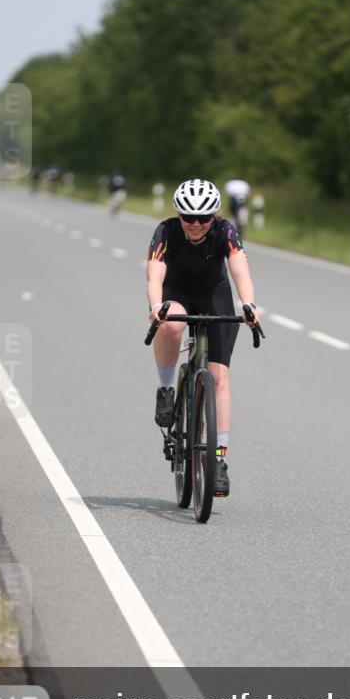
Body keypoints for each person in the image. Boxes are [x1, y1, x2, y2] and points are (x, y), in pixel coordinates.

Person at [146, 178, 259, 497]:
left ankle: (218, 461)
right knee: (170, 325)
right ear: (178, 215)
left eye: (204, 218)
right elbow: (154, 273)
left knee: (218, 378)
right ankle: (166, 389)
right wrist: (156, 306)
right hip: (176, 292)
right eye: (188, 217)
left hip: (214, 295)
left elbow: (240, 270)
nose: (196, 225)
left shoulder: (225, 232)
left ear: (215, 216)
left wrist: (248, 303)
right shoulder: (165, 232)